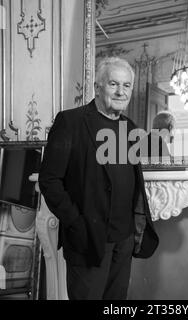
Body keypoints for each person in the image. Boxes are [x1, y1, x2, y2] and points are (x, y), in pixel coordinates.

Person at [38, 57, 159, 300]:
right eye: (113, 84)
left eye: (126, 86)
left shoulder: (131, 127)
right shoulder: (70, 122)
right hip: (88, 238)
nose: (120, 91)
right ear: (98, 86)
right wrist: (76, 223)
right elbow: (49, 180)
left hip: (123, 240)